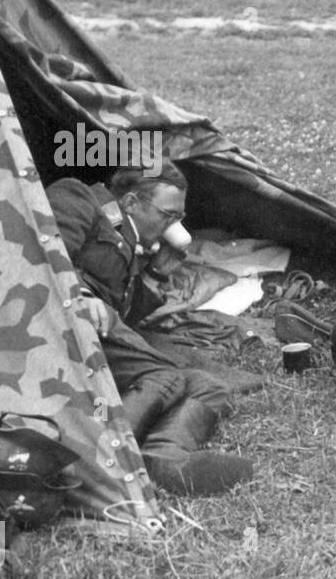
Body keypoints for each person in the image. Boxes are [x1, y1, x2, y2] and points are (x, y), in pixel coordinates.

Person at [45, 164, 253, 496]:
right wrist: (80, 293)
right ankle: (102, 462)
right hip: (63, 325)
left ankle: (164, 457)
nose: (174, 225)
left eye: (178, 217)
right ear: (130, 202)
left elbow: (125, 320)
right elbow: (44, 251)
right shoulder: (78, 197)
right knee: (165, 377)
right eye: (168, 215)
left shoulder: (135, 244)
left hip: (98, 338)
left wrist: (156, 274)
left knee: (209, 386)